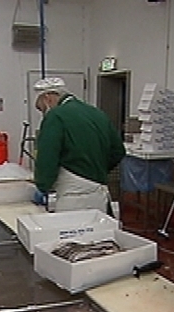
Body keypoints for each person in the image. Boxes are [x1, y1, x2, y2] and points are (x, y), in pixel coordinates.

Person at [32, 77, 125, 213]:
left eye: (40, 107)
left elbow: (47, 157)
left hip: (73, 199)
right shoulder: (97, 113)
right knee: (98, 233)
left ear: (48, 98)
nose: (43, 112)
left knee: (72, 233)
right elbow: (118, 151)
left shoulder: (55, 116)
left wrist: (42, 185)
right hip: (100, 196)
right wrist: (95, 170)